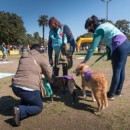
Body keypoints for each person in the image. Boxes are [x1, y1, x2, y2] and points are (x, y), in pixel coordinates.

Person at [78, 15, 130, 100]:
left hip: (119, 45)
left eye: (88, 28)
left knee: (117, 70)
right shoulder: (106, 24)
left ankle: (111, 94)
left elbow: (92, 47)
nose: (89, 30)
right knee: (121, 70)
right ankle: (118, 92)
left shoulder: (99, 30)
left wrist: (85, 61)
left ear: (91, 25)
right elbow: (111, 38)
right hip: (126, 43)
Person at [11, 44, 52, 126]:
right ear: (39, 50)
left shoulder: (24, 56)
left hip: (15, 86)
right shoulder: (41, 57)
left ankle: (20, 107)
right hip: (28, 88)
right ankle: (20, 110)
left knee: (26, 96)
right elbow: (49, 73)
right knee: (38, 107)